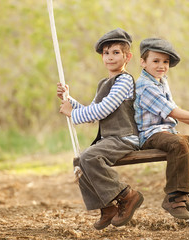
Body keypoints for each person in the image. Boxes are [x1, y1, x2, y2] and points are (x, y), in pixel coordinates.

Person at [57, 28, 143, 230]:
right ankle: (108, 207)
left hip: (125, 137)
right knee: (80, 161)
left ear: (127, 56)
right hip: (110, 139)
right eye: (106, 53)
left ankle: (127, 195)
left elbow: (103, 110)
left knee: (89, 157)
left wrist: (72, 113)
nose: (110, 57)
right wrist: (68, 100)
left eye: (116, 53)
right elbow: (91, 112)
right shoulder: (104, 83)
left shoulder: (124, 80)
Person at [134, 38, 189, 220]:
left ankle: (183, 193)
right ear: (143, 62)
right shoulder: (144, 86)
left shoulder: (161, 81)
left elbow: (171, 107)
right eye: (156, 61)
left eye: (165, 62)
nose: (161, 66)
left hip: (167, 132)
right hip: (149, 135)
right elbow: (170, 110)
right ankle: (174, 198)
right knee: (180, 145)